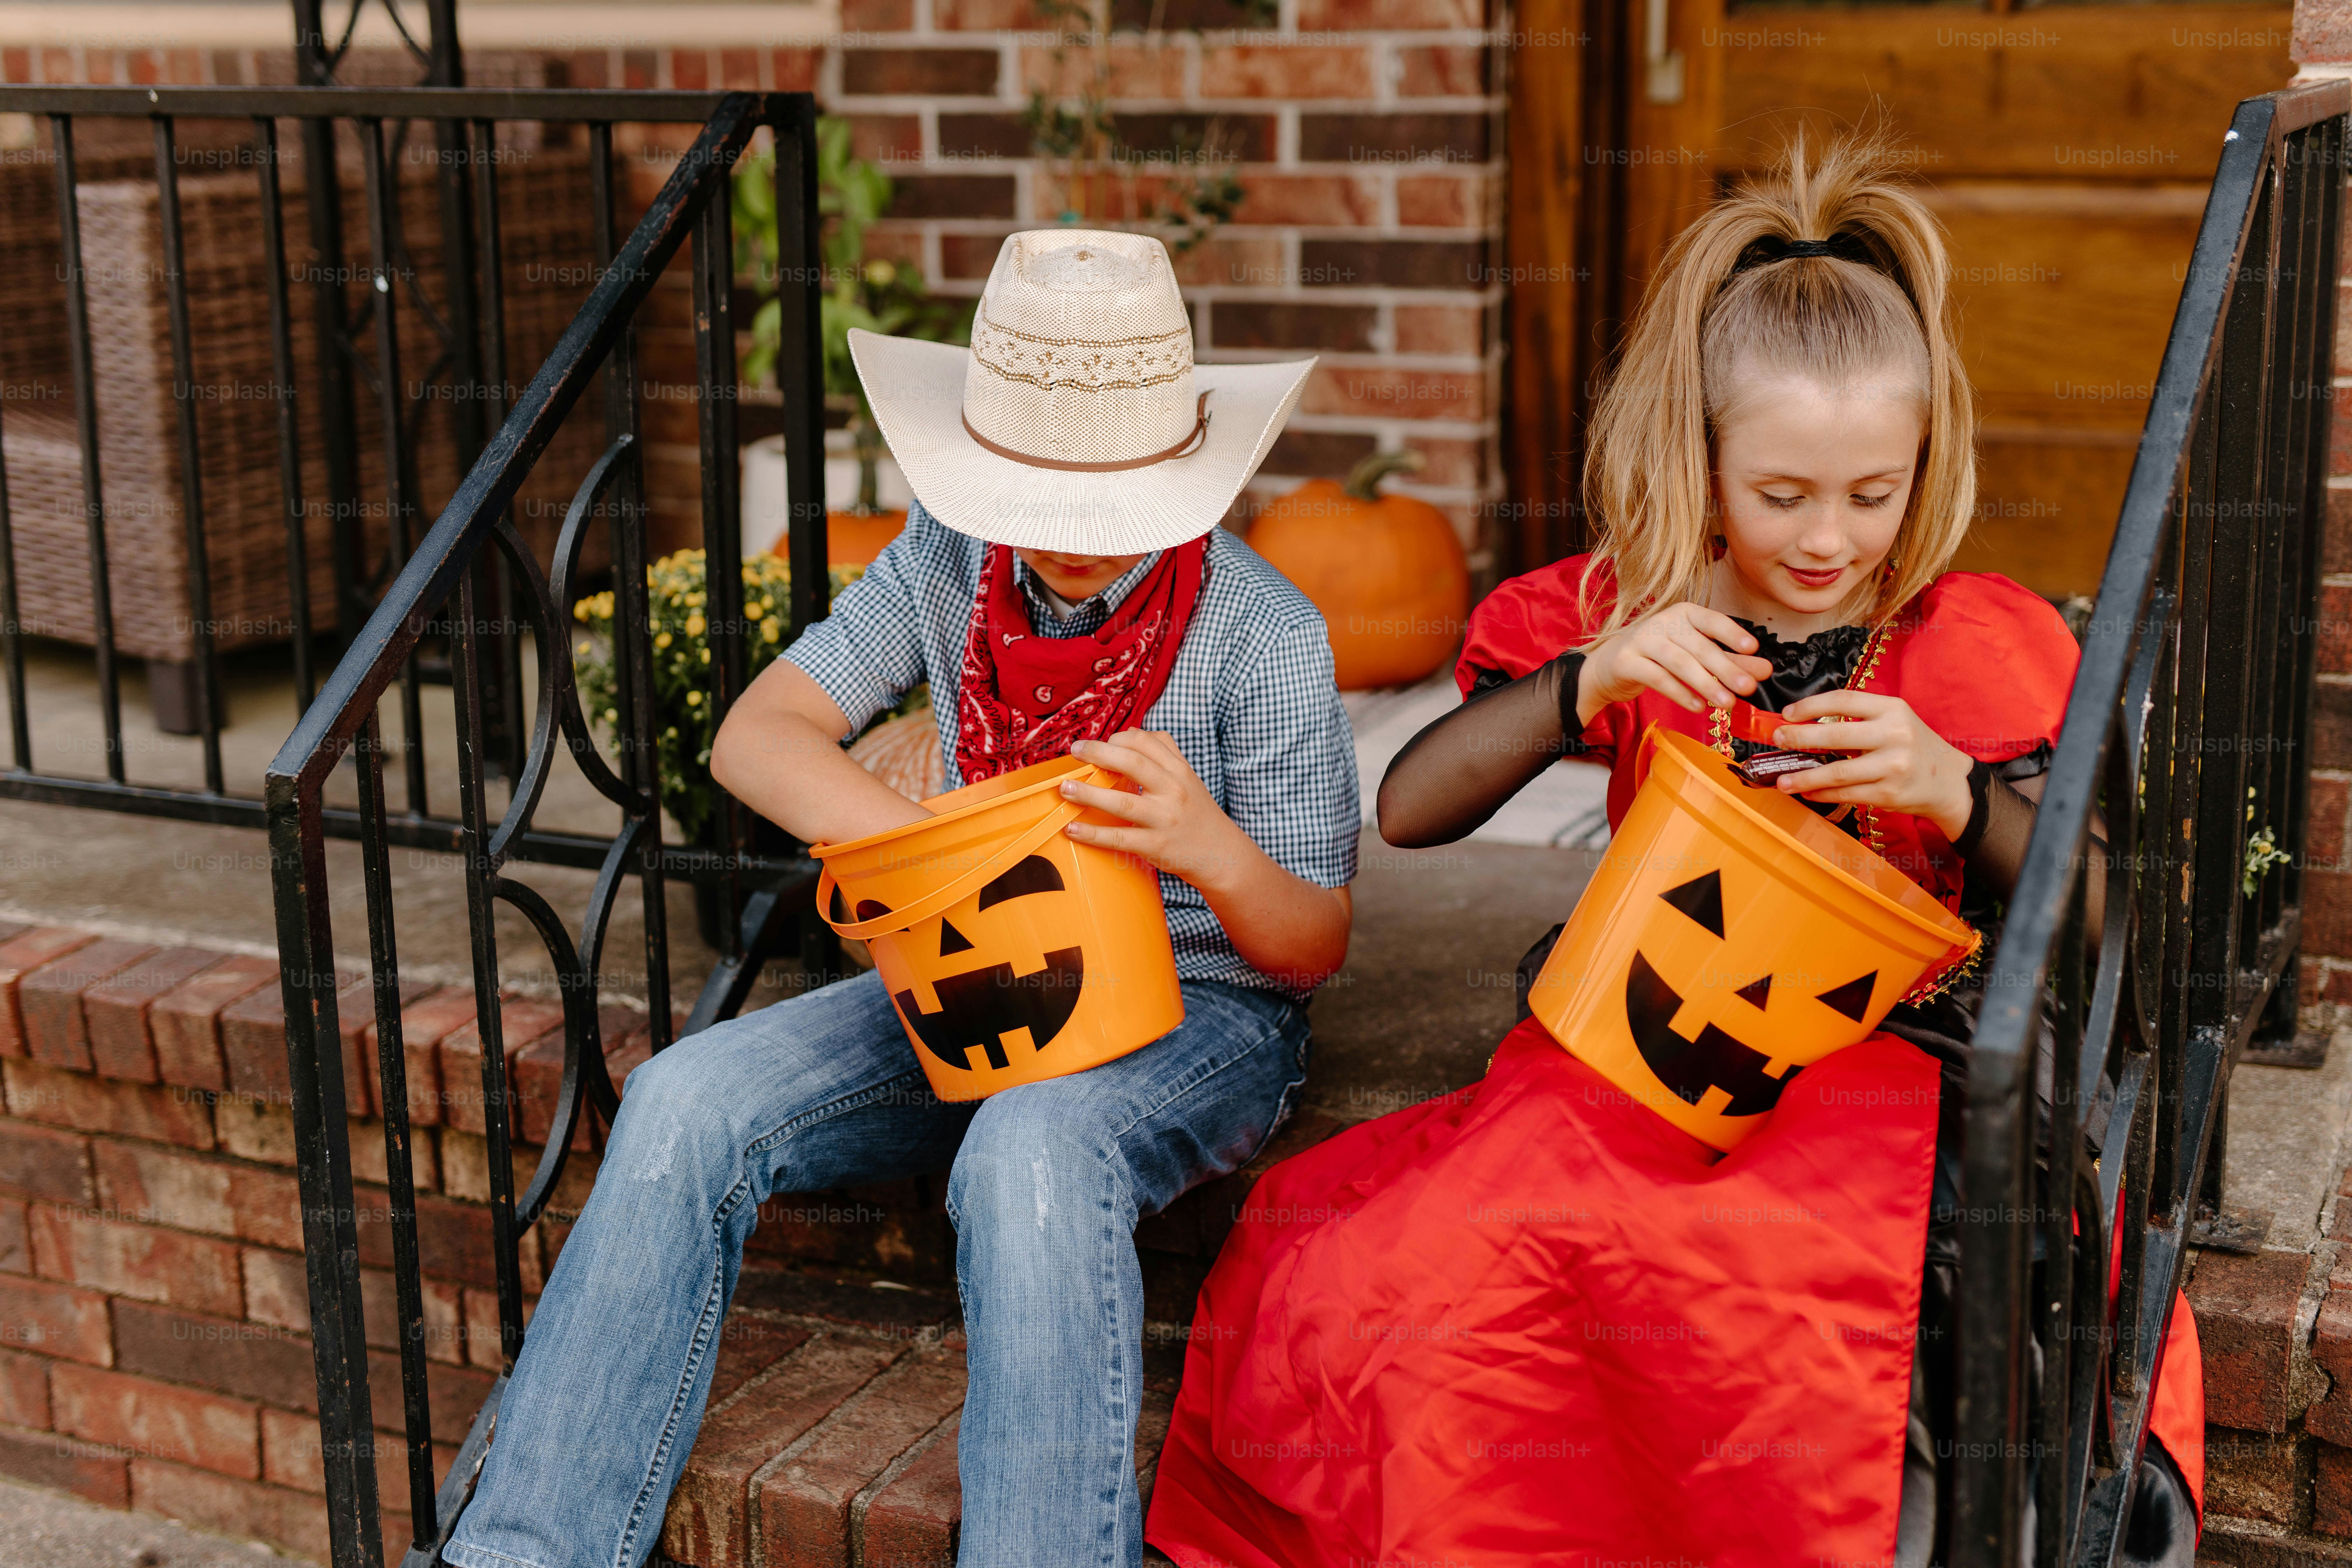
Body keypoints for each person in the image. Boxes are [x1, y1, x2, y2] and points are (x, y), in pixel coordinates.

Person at [1145, 133, 2204, 1568]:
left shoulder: (1967, 640)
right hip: (1634, 1045)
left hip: (1867, 1065)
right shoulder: (1635, 609)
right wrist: (1592, 678)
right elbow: (1407, 812)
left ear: (1923, 462)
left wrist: (1960, 794)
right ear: (1705, 457)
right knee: (1408, 1257)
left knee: (1766, 1287)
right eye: (1782, 496)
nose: (1831, 537)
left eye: (1873, 493)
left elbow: (2093, 912)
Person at [441, 228, 1358, 1568]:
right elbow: (757, 738)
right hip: (968, 974)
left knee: (1032, 1152)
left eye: (1108, 508)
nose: (1070, 541)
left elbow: (1313, 944)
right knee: (689, 1098)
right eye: (1039, 501)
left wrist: (1206, 843)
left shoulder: (1261, 633)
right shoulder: (949, 560)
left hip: (1198, 1000)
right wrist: (922, 866)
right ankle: (526, 1552)